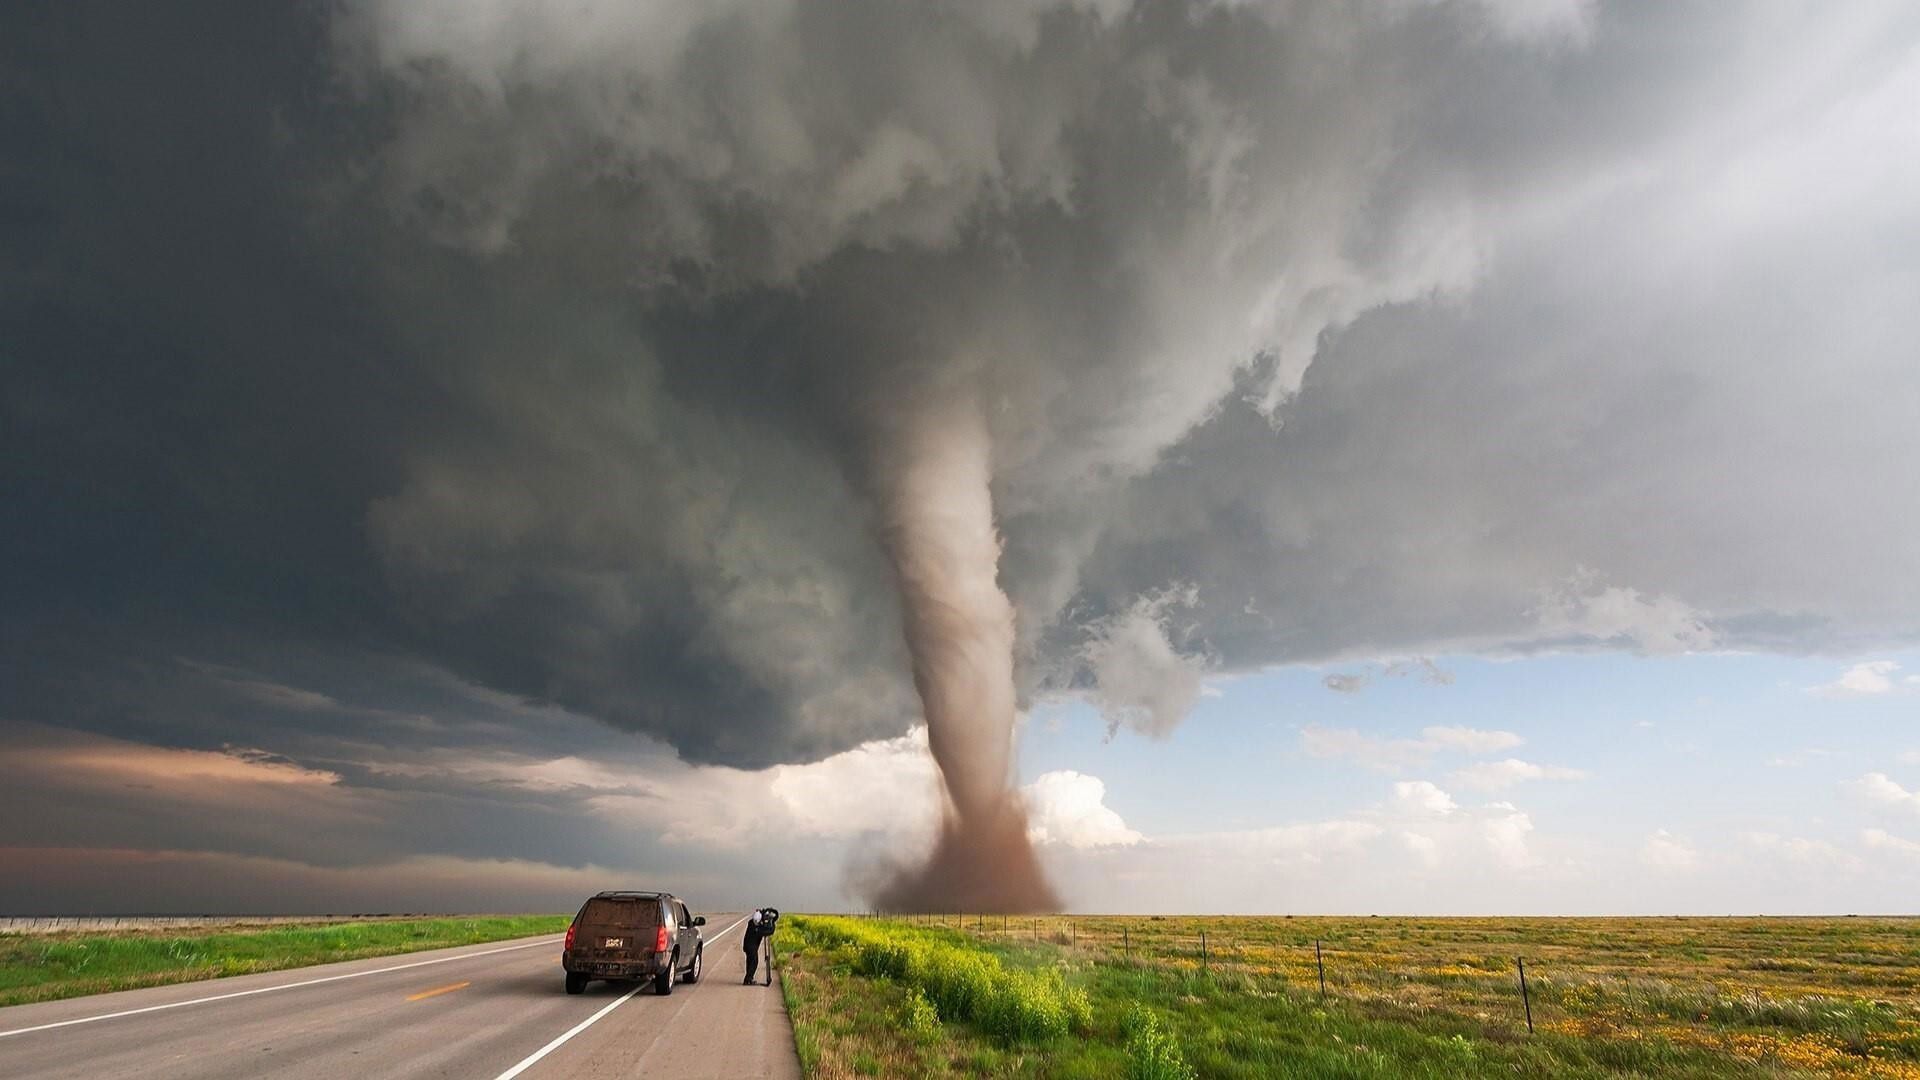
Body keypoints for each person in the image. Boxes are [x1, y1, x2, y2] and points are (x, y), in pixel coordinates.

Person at [742, 908, 770, 985]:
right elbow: (768, 931)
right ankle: (748, 979)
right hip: (751, 947)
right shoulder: (757, 928)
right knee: (754, 962)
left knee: (750, 962)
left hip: (747, 946)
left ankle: (748, 979)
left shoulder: (751, 923)